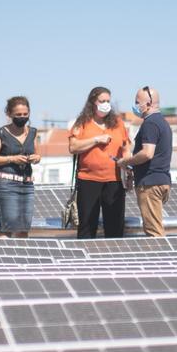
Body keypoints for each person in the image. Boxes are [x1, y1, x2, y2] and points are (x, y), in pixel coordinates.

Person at [68, 86, 131, 239]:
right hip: (88, 181)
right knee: (87, 226)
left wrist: (128, 169)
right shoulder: (81, 123)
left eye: (108, 101)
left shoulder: (117, 123)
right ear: (93, 102)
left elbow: (126, 147)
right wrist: (95, 140)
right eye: (102, 101)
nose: (106, 104)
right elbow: (73, 147)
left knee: (115, 226)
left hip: (114, 181)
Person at [117, 86, 172, 237]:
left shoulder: (150, 123)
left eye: (137, 102)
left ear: (149, 103)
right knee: (155, 228)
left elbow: (147, 153)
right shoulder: (162, 122)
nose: (135, 106)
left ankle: (161, 259)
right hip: (161, 180)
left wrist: (126, 161)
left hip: (150, 184)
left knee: (154, 232)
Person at [0, 96, 40, 237]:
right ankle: (3, 257)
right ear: (9, 114)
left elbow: (36, 153)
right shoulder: (1, 134)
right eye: (18, 115)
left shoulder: (32, 132)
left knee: (23, 228)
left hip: (27, 184)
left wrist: (36, 158)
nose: (22, 117)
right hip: (7, 185)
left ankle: (22, 257)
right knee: (7, 227)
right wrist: (12, 159)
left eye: (25, 114)